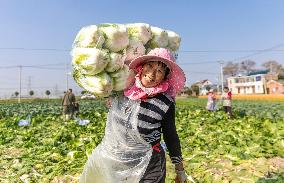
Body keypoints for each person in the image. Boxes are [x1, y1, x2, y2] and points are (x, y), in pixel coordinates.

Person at [79, 48, 187, 183]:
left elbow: (171, 136)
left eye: (159, 71)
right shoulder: (122, 92)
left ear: (165, 77)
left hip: (150, 165)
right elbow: (100, 86)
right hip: (117, 161)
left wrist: (180, 169)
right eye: (150, 66)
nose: (152, 74)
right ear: (141, 67)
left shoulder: (165, 103)